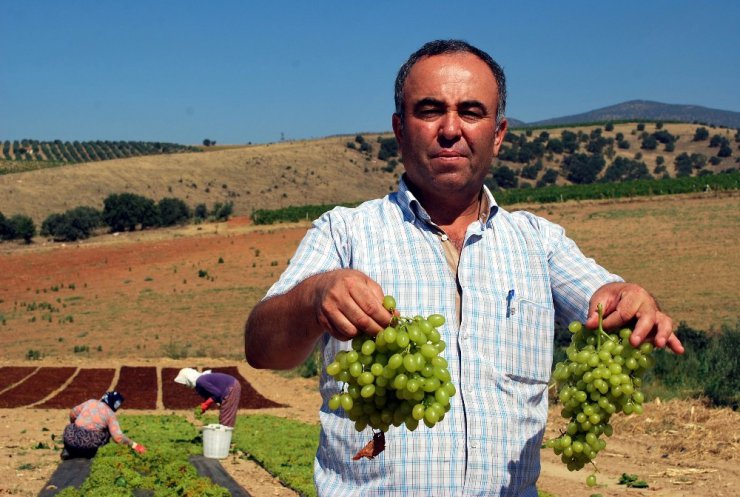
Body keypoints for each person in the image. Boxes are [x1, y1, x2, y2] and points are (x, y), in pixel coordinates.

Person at [244, 39, 684, 496]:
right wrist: (313, 297)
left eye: (471, 112)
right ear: (399, 130)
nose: (450, 129)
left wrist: (634, 301)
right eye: (430, 110)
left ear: (497, 134)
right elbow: (263, 348)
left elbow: (607, 297)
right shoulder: (344, 233)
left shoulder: (539, 243)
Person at [61, 391, 146, 460]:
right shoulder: (110, 414)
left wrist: (74, 425)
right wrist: (135, 446)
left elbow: (72, 413)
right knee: (107, 432)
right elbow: (118, 438)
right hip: (90, 443)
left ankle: (68, 450)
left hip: (71, 439)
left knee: (70, 427)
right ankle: (90, 453)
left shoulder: (90, 402)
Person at [174, 368, 241, 427]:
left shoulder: (200, 381)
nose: (185, 385)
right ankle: (224, 437)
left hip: (231, 387)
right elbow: (211, 396)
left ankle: (224, 439)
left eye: (185, 383)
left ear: (188, 378)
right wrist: (203, 407)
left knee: (226, 416)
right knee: (225, 415)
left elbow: (217, 394)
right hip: (231, 386)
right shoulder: (199, 383)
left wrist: (206, 404)